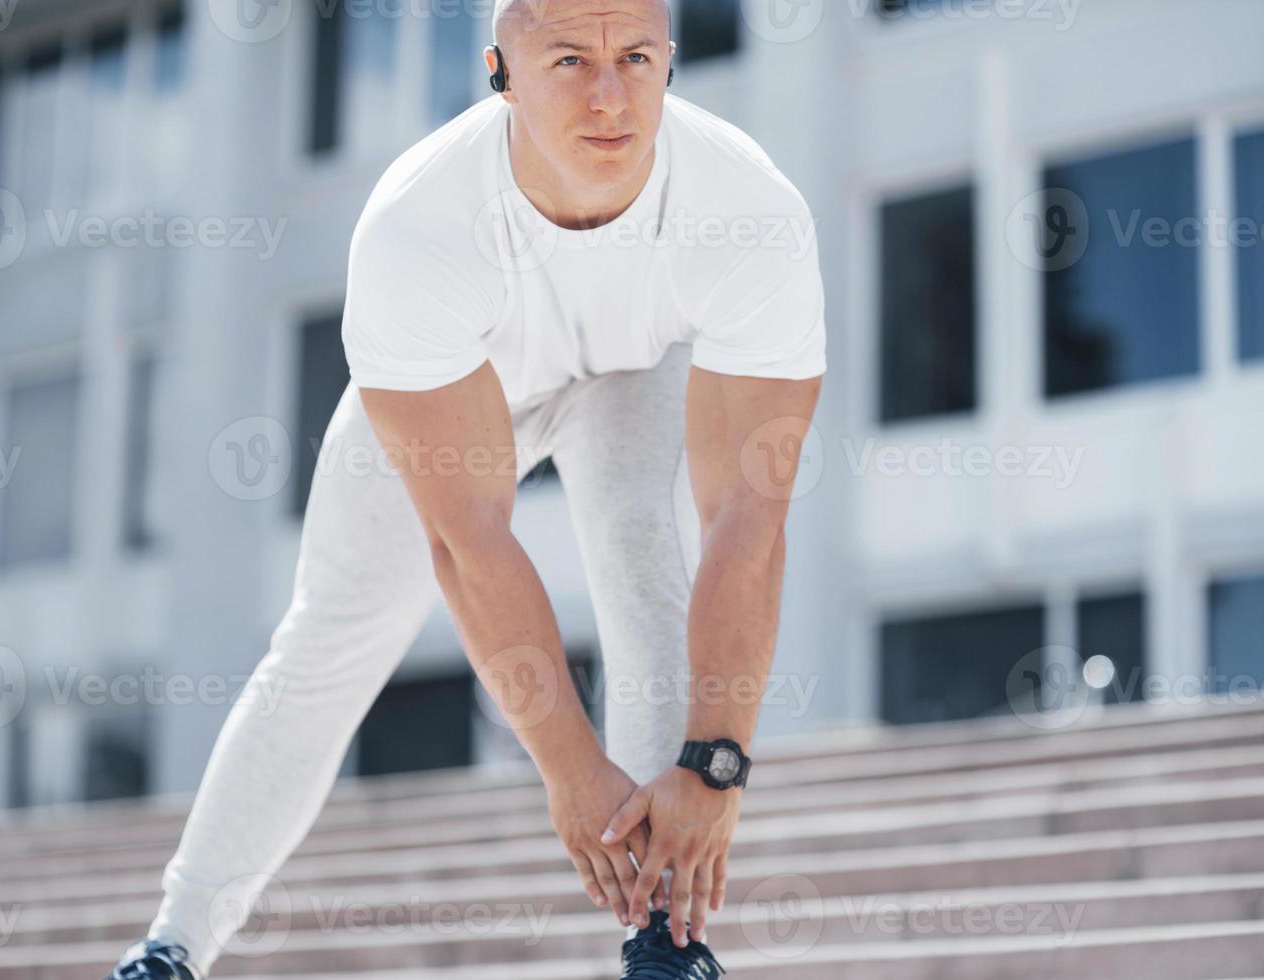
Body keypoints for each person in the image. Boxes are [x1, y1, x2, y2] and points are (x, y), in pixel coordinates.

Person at [107, 0, 824, 976]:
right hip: (459, 383)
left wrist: (717, 761)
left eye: (636, 58)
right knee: (334, 630)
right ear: (500, 70)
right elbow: (469, 539)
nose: (610, 95)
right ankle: (173, 943)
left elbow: (750, 519)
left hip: (627, 365)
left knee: (634, 540)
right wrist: (568, 766)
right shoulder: (416, 227)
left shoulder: (751, 211)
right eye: (569, 58)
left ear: (669, 61)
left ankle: (663, 939)